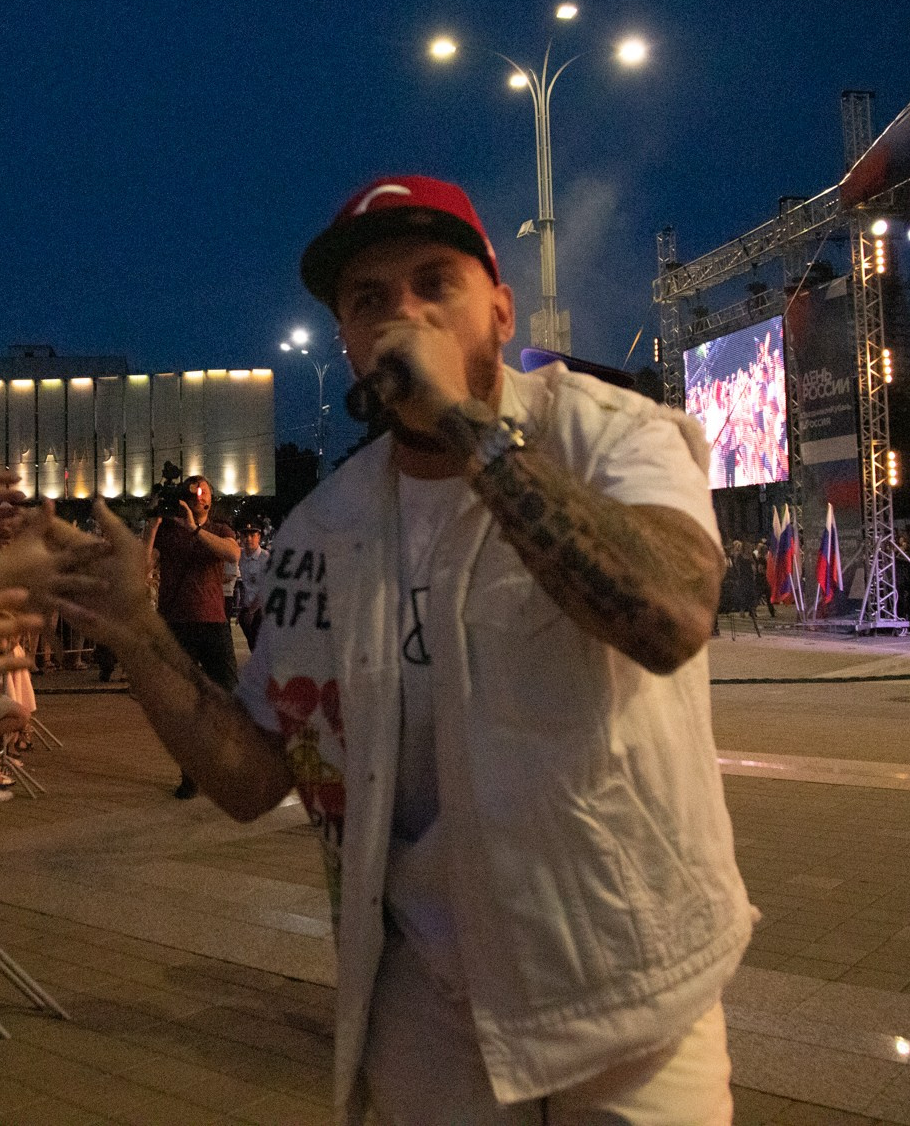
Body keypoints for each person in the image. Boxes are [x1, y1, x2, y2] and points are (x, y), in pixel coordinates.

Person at [53, 175, 749, 1124]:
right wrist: (133, 631)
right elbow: (254, 775)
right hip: (425, 1009)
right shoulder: (322, 532)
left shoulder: (613, 437)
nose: (400, 316)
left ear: (500, 312)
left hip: (628, 994)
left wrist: (464, 425)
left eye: (434, 284)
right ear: (347, 337)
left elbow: (669, 615)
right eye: (368, 300)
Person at [149, 474, 239, 799]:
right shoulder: (169, 531)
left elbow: (233, 554)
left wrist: (196, 530)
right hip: (175, 625)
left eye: (204, 491)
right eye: (193, 490)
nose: (198, 495)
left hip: (213, 622)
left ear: (210, 500)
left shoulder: (219, 530)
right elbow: (142, 567)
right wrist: (152, 527)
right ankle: (191, 773)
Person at [236, 523, 271, 649]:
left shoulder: (266, 558)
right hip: (247, 607)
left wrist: (251, 611)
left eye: (252, 535)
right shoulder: (240, 556)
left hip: (261, 608)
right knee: (252, 644)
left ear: (259, 537)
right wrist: (243, 610)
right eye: (245, 535)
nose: (248, 539)